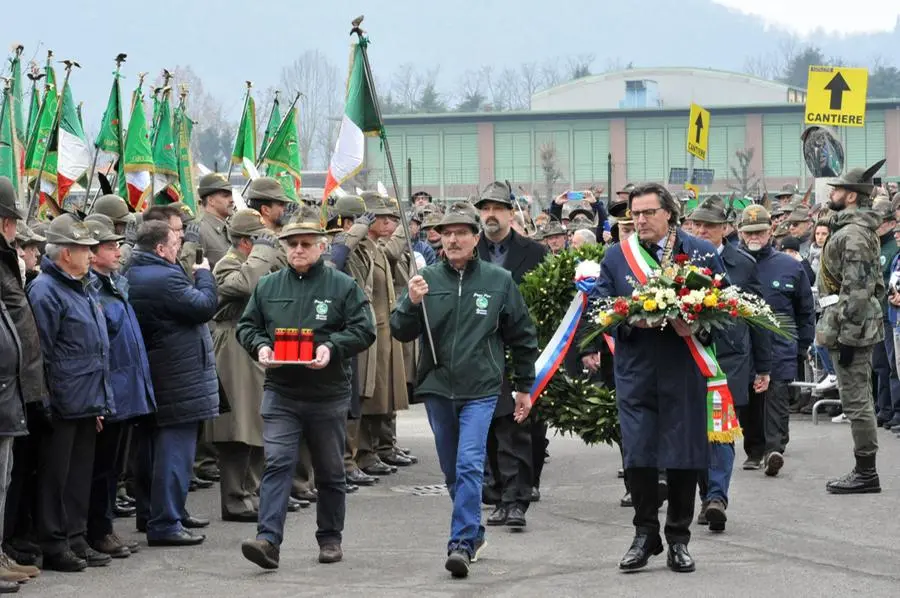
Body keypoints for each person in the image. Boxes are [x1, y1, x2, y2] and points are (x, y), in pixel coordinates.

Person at [390, 203, 538, 579]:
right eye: (446, 232)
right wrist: (412, 301)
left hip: (481, 389)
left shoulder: (497, 279)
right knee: (453, 472)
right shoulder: (426, 280)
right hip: (438, 388)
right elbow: (400, 330)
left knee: (470, 463)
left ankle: (460, 543)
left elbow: (521, 335)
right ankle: (475, 530)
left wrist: (524, 386)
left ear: (476, 238)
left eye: (461, 232)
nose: (453, 239)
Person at [586, 182, 726, 574]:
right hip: (636, 371)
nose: (641, 220)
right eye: (636, 214)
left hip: (683, 368)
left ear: (669, 213)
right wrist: (633, 319)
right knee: (639, 453)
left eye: (649, 212)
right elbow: (599, 306)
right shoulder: (617, 257)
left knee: (684, 454)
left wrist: (695, 324)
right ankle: (645, 533)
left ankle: (679, 538)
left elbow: (727, 305)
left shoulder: (700, 253)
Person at [236, 217, 375, 569]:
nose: (298, 249)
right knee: (278, 463)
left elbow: (364, 329)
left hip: (327, 393)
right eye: (292, 243)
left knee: (329, 470)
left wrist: (332, 347)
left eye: (306, 243)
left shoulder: (342, 285)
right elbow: (247, 326)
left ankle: (329, 538)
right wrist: (261, 347)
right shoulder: (268, 286)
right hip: (282, 392)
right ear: (284, 246)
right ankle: (268, 540)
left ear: (321, 246)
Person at [29, 215, 114, 572]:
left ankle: (76, 537)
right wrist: (46, 401)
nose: (90, 255)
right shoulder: (47, 291)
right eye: (83, 249)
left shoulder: (83, 286)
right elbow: (41, 353)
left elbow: (94, 346)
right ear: (66, 253)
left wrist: (97, 400)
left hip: (85, 396)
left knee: (79, 474)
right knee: (55, 478)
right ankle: (54, 543)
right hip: (62, 400)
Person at [125, 220, 219, 545]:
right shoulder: (164, 278)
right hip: (176, 378)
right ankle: (166, 521)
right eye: (175, 243)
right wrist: (204, 274)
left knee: (152, 450)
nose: (179, 248)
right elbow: (204, 306)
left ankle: (157, 513)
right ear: (161, 248)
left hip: (156, 374)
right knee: (174, 452)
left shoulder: (133, 271)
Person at [689, 197, 771, 533]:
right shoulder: (681, 260)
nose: (703, 230)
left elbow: (757, 316)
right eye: (698, 224)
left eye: (710, 225)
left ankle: (717, 498)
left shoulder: (743, 263)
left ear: (726, 229)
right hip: (691, 356)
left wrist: (764, 366)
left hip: (730, 360)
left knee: (721, 431)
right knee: (696, 433)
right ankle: (707, 493)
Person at [473, 181, 548, 527]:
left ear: (509, 212)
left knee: (517, 430)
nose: (490, 214)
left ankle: (518, 497)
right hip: (482, 353)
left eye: (496, 208)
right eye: (484, 209)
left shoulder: (534, 252)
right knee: (488, 431)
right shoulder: (470, 252)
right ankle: (501, 493)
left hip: (520, 349)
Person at [83, 215, 155, 559]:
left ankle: (105, 527)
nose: (117, 252)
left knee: (112, 466)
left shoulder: (113, 282)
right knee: (101, 468)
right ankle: (98, 530)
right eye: (110, 246)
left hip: (125, 388)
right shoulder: (93, 287)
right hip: (108, 390)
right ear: (91, 253)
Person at [817, 160, 886, 494]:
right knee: (859, 397)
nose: (832, 192)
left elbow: (857, 291)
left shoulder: (854, 235)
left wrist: (847, 335)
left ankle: (866, 472)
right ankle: (865, 469)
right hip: (850, 323)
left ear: (852, 197)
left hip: (851, 327)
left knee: (856, 399)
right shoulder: (852, 230)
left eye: (838, 188)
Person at [209, 209, 280, 522]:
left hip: (254, 343)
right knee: (238, 427)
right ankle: (235, 498)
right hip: (233, 345)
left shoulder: (257, 261)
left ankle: (250, 492)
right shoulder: (229, 263)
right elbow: (245, 286)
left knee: (257, 424)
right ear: (246, 242)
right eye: (259, 239)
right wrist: (263, 252)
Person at [736, 206, 814, 476]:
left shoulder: (790, 265)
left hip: (780, 344)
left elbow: (805, 309)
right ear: (740, 233)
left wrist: (803, 345)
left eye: (760, 231)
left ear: (771, 231)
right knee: (748, 399)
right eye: (749, 232)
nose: (754, 237)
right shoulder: (731, 264)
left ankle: (774, 450)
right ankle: (754, 450)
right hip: (742, 346)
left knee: (776, 396)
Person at [343, 194, 412, 477]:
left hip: (384, 328)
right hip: (371, 330)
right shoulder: (362, 248)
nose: (387, 222)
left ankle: (375, 449)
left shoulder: (375, 247)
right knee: (368, 395)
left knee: (382, 394)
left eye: (389, 217)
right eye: (379, 217)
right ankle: (362, 453)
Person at [0, 179, 41, 588]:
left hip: (11, 384)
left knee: (6, 476)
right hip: (3, 384)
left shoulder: (4, 258)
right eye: (12, 220)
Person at [870, 202, 900, 428]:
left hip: (889, 313)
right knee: (880, 364)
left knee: (893, 364)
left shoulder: (892, 249)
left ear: (890, 223)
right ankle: (885, 408)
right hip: (877, 314)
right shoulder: (874, 246)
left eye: (879, 222)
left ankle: (895, 409)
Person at [196, 173, 234, 268]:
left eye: (231, 195)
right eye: (226, 196)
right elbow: (193, 271)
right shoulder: (200, 230)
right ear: (211, 201)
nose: (232, 200)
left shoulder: (230, 227)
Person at [89, 194, 135, 267]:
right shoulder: (91, 241)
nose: (126, 229)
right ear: (111, 223)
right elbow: (111, 271)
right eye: (123, 224)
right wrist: (127, 246)